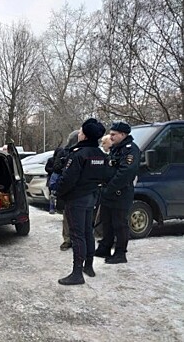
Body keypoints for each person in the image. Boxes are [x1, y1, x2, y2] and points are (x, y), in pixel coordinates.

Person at [56, 118, 106, 285]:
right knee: (87, 232)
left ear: (85, 136)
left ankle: (77, 273)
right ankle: (89, 266)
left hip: (76, 198)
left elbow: (68, 179)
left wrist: (59, 193)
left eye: (81, 131)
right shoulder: (100, 154)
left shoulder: (78, 154)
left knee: (77, 235)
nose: (79, 133)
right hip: (91, 197)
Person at [95, 121, 140, 264]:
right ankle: (105, 247)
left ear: (123, 134)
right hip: (108, 192)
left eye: (114, 134)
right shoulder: (115, 149)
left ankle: (120, 253)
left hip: (121, 193)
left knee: (119, 224)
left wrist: (110, 188)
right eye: (110, 133)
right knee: (107, 222)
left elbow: (125, 173)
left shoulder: (130, 150)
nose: (111, 136)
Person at [54, 130, 79, 250]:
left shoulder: (83, 152)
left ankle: (77, 239)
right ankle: (67, 239)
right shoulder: (64, 152)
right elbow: (56, 167)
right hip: (67, 189)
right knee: (67, 216)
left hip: (80, 189)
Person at [45, 147, 63, 214]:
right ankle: (52, 208)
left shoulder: (62, 160)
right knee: (52, 194)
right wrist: (53, 170)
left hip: (59, 178)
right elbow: (46, 168)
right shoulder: (51, 160)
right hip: (51, 178)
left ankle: (58, 207)